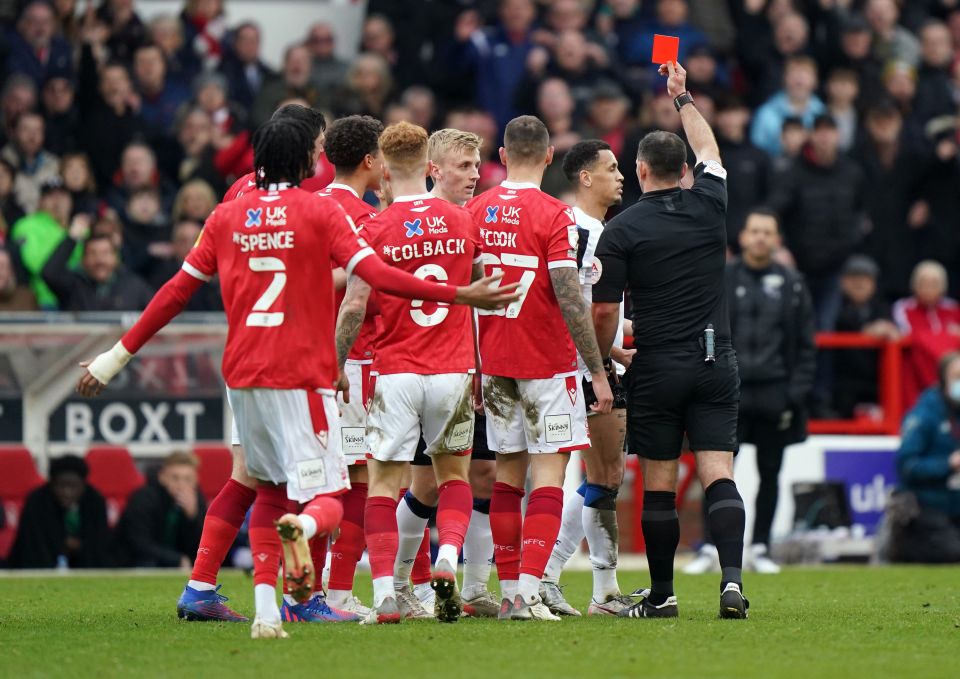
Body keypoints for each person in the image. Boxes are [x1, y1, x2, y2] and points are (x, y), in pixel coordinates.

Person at [76, 115, 518, 640]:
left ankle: (263, 610)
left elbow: (175, 291)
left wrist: (113, 358)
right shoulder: (320, 211)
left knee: (262, 487)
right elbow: (372, 276)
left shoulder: (227, 214)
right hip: (306, 372)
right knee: (333, 493)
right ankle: (309, 578)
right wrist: (461, 294)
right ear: (309, 160)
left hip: (241, 374)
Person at [591, 61, 748, 620]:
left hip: (656, 364)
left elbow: (606, 308)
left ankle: (662, 597)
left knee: (659, 480)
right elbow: (712, 151)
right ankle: (731, 584)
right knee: (718, 473)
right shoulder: (710, 203)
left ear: (637, 171)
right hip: (714, 358)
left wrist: (603, 362)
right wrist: (682, 99)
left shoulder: (622, 228)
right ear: (685, 169)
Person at [171, 104, 330, 627]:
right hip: (291, 360)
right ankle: (301, 597)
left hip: (245, 352)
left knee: (251, 479)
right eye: (317, 138)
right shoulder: (310, 196)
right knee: (311, 484)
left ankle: (202, 585)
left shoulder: (237, 195)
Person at [333, 122, 481, 625]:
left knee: (382, 484)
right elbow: (478, 297)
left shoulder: (372, 229)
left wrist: (335, 363)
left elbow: (354, 306)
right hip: (452, 369)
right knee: (453, 476)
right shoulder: (462, 220)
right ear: (427, 165)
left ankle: (385, 597)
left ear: (385, 168)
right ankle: (445, 559)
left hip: (394, 371)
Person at [466, 115, 614, 621]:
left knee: (507, 476)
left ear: (502, 156)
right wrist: (595, 369)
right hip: (547, 364)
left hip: (494, 361)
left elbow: (464, 296)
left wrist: (474, 366)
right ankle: (529, 591)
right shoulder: (558, 216)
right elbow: (571, 296)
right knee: (550, 475)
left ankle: (509, 590)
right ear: (550, 156)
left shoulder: (475, 208)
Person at [685, 209, 815, 576]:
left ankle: (761, 547)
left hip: (776, 392)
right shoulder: (722, 278)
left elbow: (806, 344)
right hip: (730, 390)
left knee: (770, 473)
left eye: (767, 232)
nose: (760, 238)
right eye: (754, 231)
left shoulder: (792, 284)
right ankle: (711, 546)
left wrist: (796, 393)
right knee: (718, 471)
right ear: (742, 237)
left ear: (776, 240)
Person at [540, 139, 634, 616]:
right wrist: (609, 357)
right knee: (601, 475)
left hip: (589, 363)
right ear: (585, 177)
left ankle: (553, 577)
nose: (621, 176)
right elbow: (572, 309)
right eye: (612, 168)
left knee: (605, 475)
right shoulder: (581, 233)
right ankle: (598, 592)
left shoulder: (593, 229)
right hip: (583, 369)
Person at [315, 114, 385, 619]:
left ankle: (310, 592)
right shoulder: (363, 218)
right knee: (359, 483)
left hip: (296, 361)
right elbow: (362, 298)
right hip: (349, 363)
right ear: (368, 160)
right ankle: (335, 591)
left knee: (316, 481)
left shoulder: (306, 205)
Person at [889, 351, 960, 563]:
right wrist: (948, 463)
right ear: (942, 381)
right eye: (957, 377)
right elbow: (907, 465)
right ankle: (901, 546)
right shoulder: (924, 415)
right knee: (951, 553)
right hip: (928, 504)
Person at [8, 455, 110, 569]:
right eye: (61, 485)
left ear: (83, 485)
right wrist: (61, 543)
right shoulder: (37, 501)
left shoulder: (95, 500)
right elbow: (32, 546)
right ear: (51, 484)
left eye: (73, 486)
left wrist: (81, 547)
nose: (67, 492)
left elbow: (100, 544)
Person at [834, 255, 900, 418]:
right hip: (841, 386)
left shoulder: (883, 308)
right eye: (853, 277)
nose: (859, 283)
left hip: (876, 385)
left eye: (865, 278)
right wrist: (864, 330)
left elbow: (896, 333)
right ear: (842, 282)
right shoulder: (832, 307)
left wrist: (887, 329)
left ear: (874, 283)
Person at [113, 452, 206, 568]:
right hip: (136, 562)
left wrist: (192, 517)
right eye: (175, 478)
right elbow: (140, 544)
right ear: (162, 477)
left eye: (188, 479)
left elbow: (200, 546)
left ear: (196, 480)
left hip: (177, 562)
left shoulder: (197, 501)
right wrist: (176, 560)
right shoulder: (143, 499)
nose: (181, 484)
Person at [42, 219, 154, 312]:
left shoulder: (134, 285)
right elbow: (49, 273)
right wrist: (72, 238)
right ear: (83, 260)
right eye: (92, 253)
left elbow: (155, 315)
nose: (99, 260)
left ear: (115, 258)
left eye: (105, 253)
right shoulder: (72, 285)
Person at [893, 261, 960, 409]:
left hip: (954, 377)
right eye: (924, 282)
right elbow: (908, 335)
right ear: (914, 285)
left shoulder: (953, 308)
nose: (929, 287)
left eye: (934, 283)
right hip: (916, 376)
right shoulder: (904, 308)